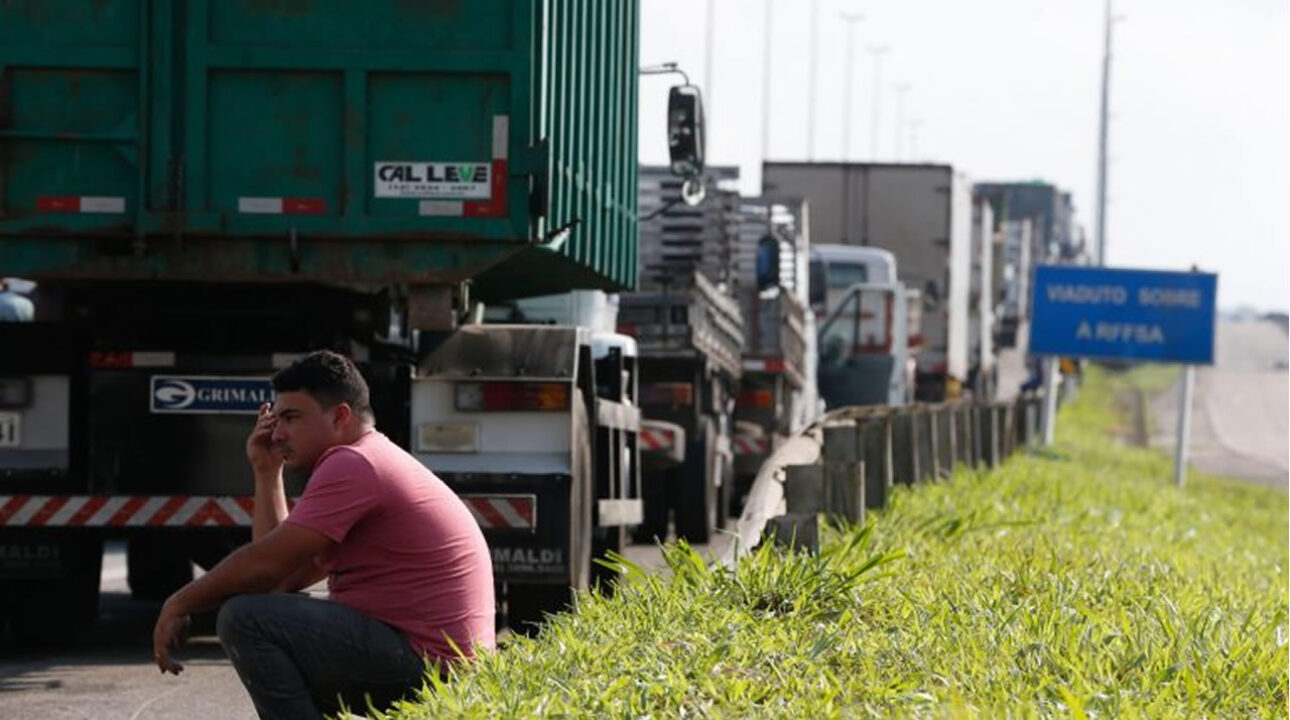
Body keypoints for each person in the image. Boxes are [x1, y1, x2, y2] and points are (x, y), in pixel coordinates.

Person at [152, 350, 495, 720]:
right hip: (435, 665)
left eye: (291, 417)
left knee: (245, 619)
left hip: (431, 668)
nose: (277, 431)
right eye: (276, 418)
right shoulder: (366, 458)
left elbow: (264, 569)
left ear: (340, 416)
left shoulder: (353, 463)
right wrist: (267, 473)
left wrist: (179, 602)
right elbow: (280, 579)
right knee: (257, 613)